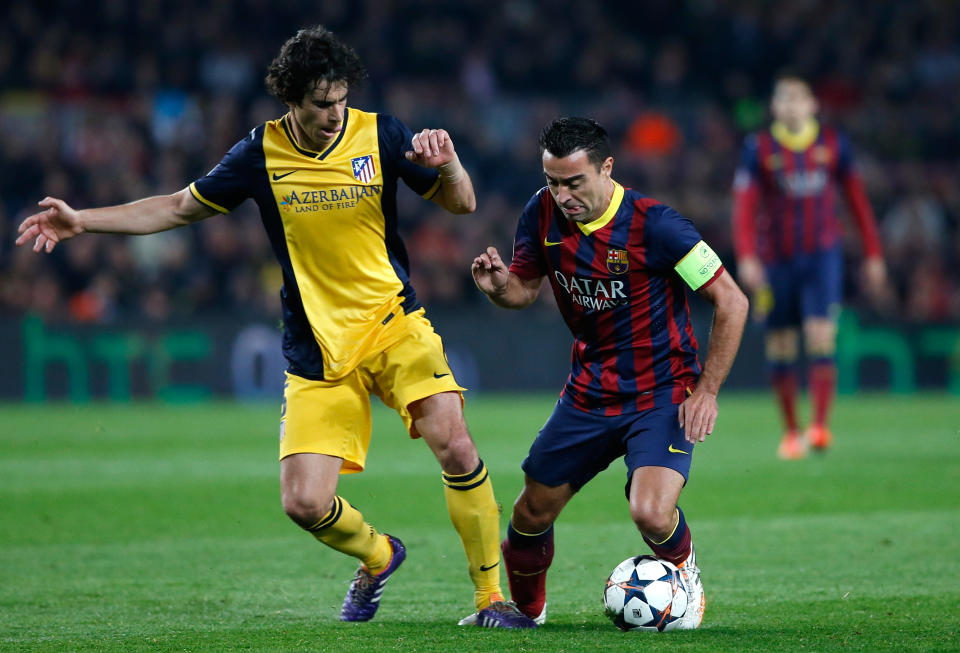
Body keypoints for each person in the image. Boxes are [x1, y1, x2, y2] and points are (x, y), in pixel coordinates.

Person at [16, 25, 536, 629]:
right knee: (304, 502)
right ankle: (378, 554)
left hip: (395, 323)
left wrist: (448, 167)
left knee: (455, 440)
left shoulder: (380, 133)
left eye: (341, 99)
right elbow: (180, 206)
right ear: (291, 100)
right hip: (316, 346)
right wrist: (84, 220)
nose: (335, 114)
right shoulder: (260, 153)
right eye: (321, 104)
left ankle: (490, 600)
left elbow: (463, 203)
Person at [468, 117, 749, 628]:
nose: (563, 194)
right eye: (553, 181)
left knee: (651, 512)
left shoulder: (657, 226)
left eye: (574, 182)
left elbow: (732, 300)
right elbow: (524, 290)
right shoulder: (541, 212)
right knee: (530, 514)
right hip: (591, 391)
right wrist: (498, 287)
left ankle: (685, 574)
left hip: (662, 391)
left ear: (607, 168)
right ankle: (528, 613)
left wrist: (706, 391)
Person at [732, 73, 887, 460]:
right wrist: (747, 255)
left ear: (812, 105)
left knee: (821, 336)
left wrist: (873, 253)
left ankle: (819, 427)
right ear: (774, 108)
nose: (790, 106)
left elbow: (857, 201)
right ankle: (790, 432)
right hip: (775, 260)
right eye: (783, 99)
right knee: (781, 344)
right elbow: (745, 207)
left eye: (797, 99)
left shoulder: (834, 144)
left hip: (822, 256)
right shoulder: (760, 148)